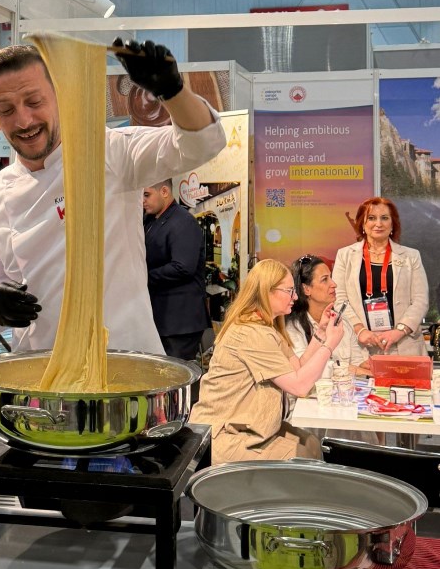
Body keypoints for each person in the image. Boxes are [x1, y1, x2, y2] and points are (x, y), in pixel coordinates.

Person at [0, 39, 227, 353]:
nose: (24, 121)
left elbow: (203, 144)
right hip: (38, 364)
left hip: (124, 359)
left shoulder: (110, 153)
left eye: (34, 102)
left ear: (60, 97)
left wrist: (172, 91)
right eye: (6, 110)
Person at [189, 259, 344, 463]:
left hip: (245, 429)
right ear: (267, 291)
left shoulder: (266, 327)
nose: (295, 297)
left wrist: (321, 334)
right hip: (223, 436)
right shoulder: (251, 333)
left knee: (311, 444)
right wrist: (329, 345)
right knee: (303, 457)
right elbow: (299, 386)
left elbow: (298, 368)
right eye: (289, 291)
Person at [332, 197, 428, 356]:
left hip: (403, 345)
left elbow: (420, 300)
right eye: (371, 218)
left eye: (384, 218)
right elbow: (339, 298)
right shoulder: (345, 255)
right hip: (360, 345)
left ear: (393, 223)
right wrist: (359, 329)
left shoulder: (411, 256)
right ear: (362, 223)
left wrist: (400, 330)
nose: (378, 223)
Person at [142, 178, 210, 359]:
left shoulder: (183, 222)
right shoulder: (150, 221)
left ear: (164, 192)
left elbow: (183, 267)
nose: (143, 201)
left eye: (147, 195)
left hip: (180, 322)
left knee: (174, 373)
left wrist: (143, 277)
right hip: (161, 318)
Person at [286, 254, 370, 377]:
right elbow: (303, 369)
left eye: (331, 277)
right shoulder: (293, 328)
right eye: (325, 279)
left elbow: (357, 363)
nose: (334, 284)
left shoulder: (343, 321)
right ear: (306, 289)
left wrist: (367, 366)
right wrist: (351, 369)